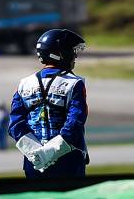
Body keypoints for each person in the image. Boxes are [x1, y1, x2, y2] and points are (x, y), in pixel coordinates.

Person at [8, 29, 89, 179]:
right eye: (72, 51)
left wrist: (36, 153)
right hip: (68, 160)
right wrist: (51, 152)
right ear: (61, 53)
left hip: (34, 162)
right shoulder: (74, 83)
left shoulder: (24, 84)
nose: (75, 55)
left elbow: (15, 124)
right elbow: (75, 122)